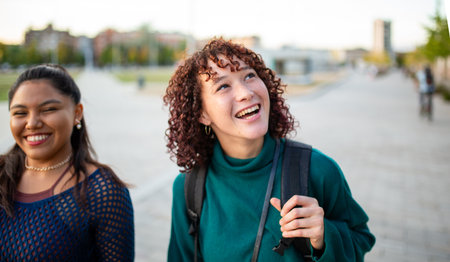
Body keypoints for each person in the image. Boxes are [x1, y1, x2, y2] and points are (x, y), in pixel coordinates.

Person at [164, 38, 375, 261]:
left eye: (249, 76)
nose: (245, 93)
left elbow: (361, 240)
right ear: (202, 114)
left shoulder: (319, 170)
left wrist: (324, 237)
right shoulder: (189, 188)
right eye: (223, 86)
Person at [0, 64, 134, 261]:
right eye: (20, 113)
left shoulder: (102, 192)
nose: (32, 123)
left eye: (48, 109)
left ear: (77, 113)